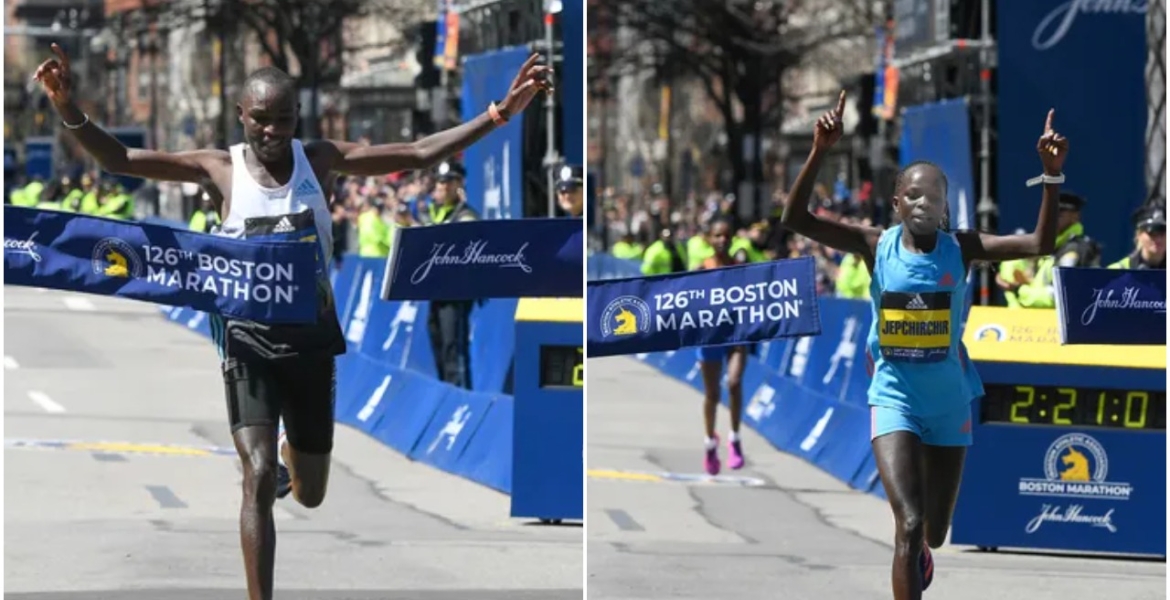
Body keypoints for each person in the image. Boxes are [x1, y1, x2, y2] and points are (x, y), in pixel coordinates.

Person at [34, 42, 550, 600]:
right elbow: (121, 161)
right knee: (253, 477)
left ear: (296, 119)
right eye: (260, 119)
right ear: (241, 116)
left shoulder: (320, 160)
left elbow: (420, 151)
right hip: (246, 341)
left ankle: (290, 460)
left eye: (282, 120)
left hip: (310, 342)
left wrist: (499, 114)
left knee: (310, 493)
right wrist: (67, 108)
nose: (272, 131)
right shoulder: (219, 168)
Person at [780, 91, 1064, 600]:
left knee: (933, 531)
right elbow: (796, 221)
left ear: (946, 206)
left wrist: (1051, 174)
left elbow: (1040, 245)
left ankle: (922, 552)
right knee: (907, 523)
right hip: (894, 398)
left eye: (932, 196)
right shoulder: (875, 245)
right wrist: (820, 149)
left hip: (949, 402)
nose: (922, 203)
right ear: (895, 204)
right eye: (911, 195)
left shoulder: (964, 248)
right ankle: (910, 557)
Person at [694, 216, 749, 475]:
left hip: (736, 334)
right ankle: (709, 443)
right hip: (710, 336)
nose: (722, 240)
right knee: (712, 394)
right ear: (709, 238)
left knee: (734, 383)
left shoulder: (740, 267)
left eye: (727, 236)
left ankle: (735, 438)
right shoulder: (701, 268)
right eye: (717, 235)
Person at [1015, 191, 1099, 308]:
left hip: (1062, 323)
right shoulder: (1055, 246)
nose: (1052, 218)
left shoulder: (1075, 248)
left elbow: (1060, 294)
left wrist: (1020, 291)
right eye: (1049, 213)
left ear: (1075, 216)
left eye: (1059, 214)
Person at [1108, 205, 1165, 270]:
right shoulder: (1117, 271)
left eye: (1163, 233)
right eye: (1152, 233)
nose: (1158, 239)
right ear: (1139, 235)